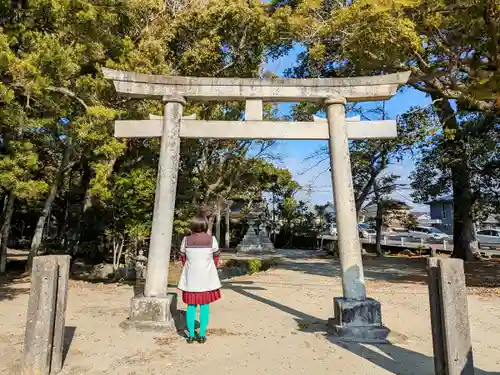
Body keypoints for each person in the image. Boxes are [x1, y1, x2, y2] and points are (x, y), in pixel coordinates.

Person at [178, 214, 222, 343]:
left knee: (190, 306)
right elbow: (215, 257)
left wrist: (189, 267)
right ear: (205, 225)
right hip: (206, 278)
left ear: (192, 225)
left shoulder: (186, 240)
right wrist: (210, 268)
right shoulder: (211, 239)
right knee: (204, 306)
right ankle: (202, 335)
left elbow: (183, 258)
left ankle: (191, 335)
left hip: (191, 278)